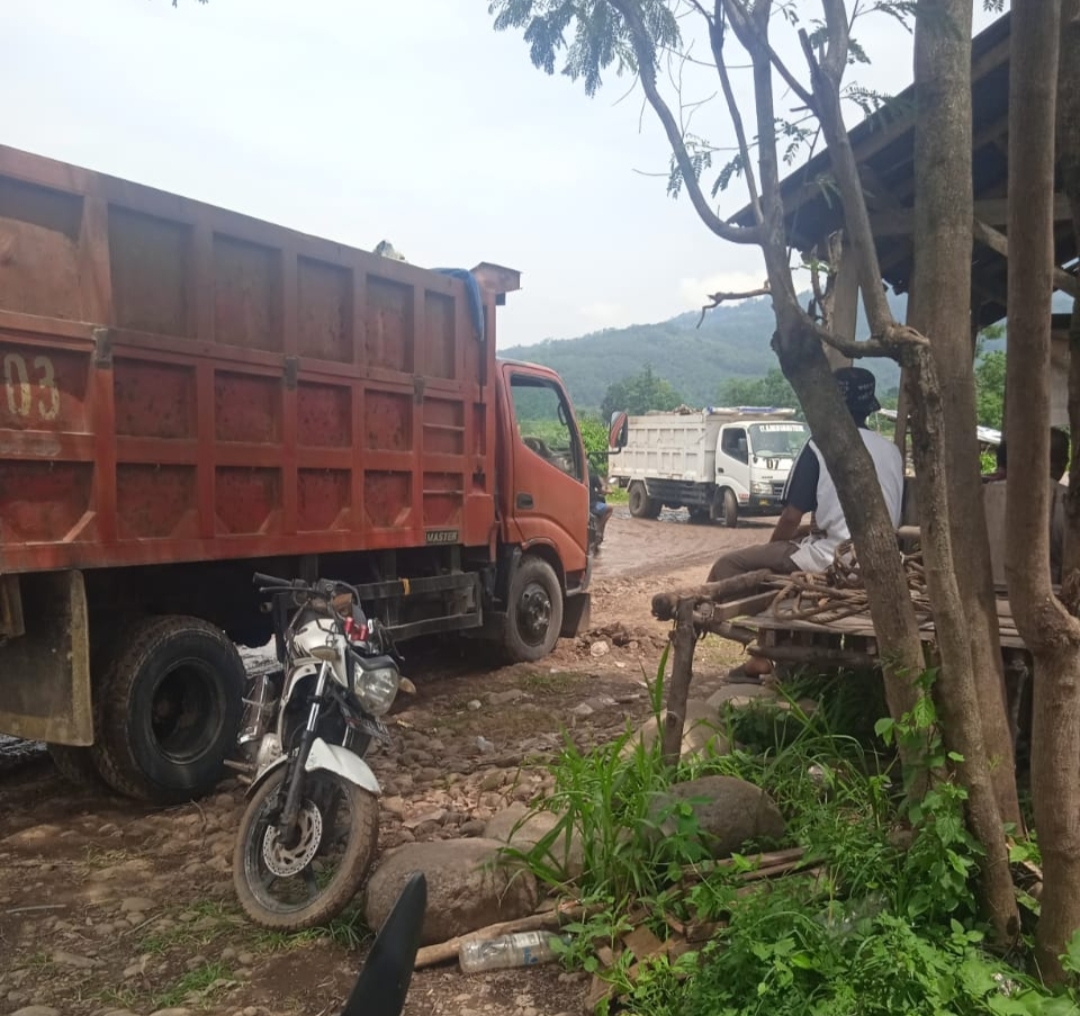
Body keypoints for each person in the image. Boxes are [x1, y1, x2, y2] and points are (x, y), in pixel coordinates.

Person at [707, 366, 904, 679]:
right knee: (786, 561)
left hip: (833, 557)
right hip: (882, 559)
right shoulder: (892, 451)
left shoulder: (819, 445)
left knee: (730, 566)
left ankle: (760, 652)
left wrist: (770, 552)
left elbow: (790, 517)